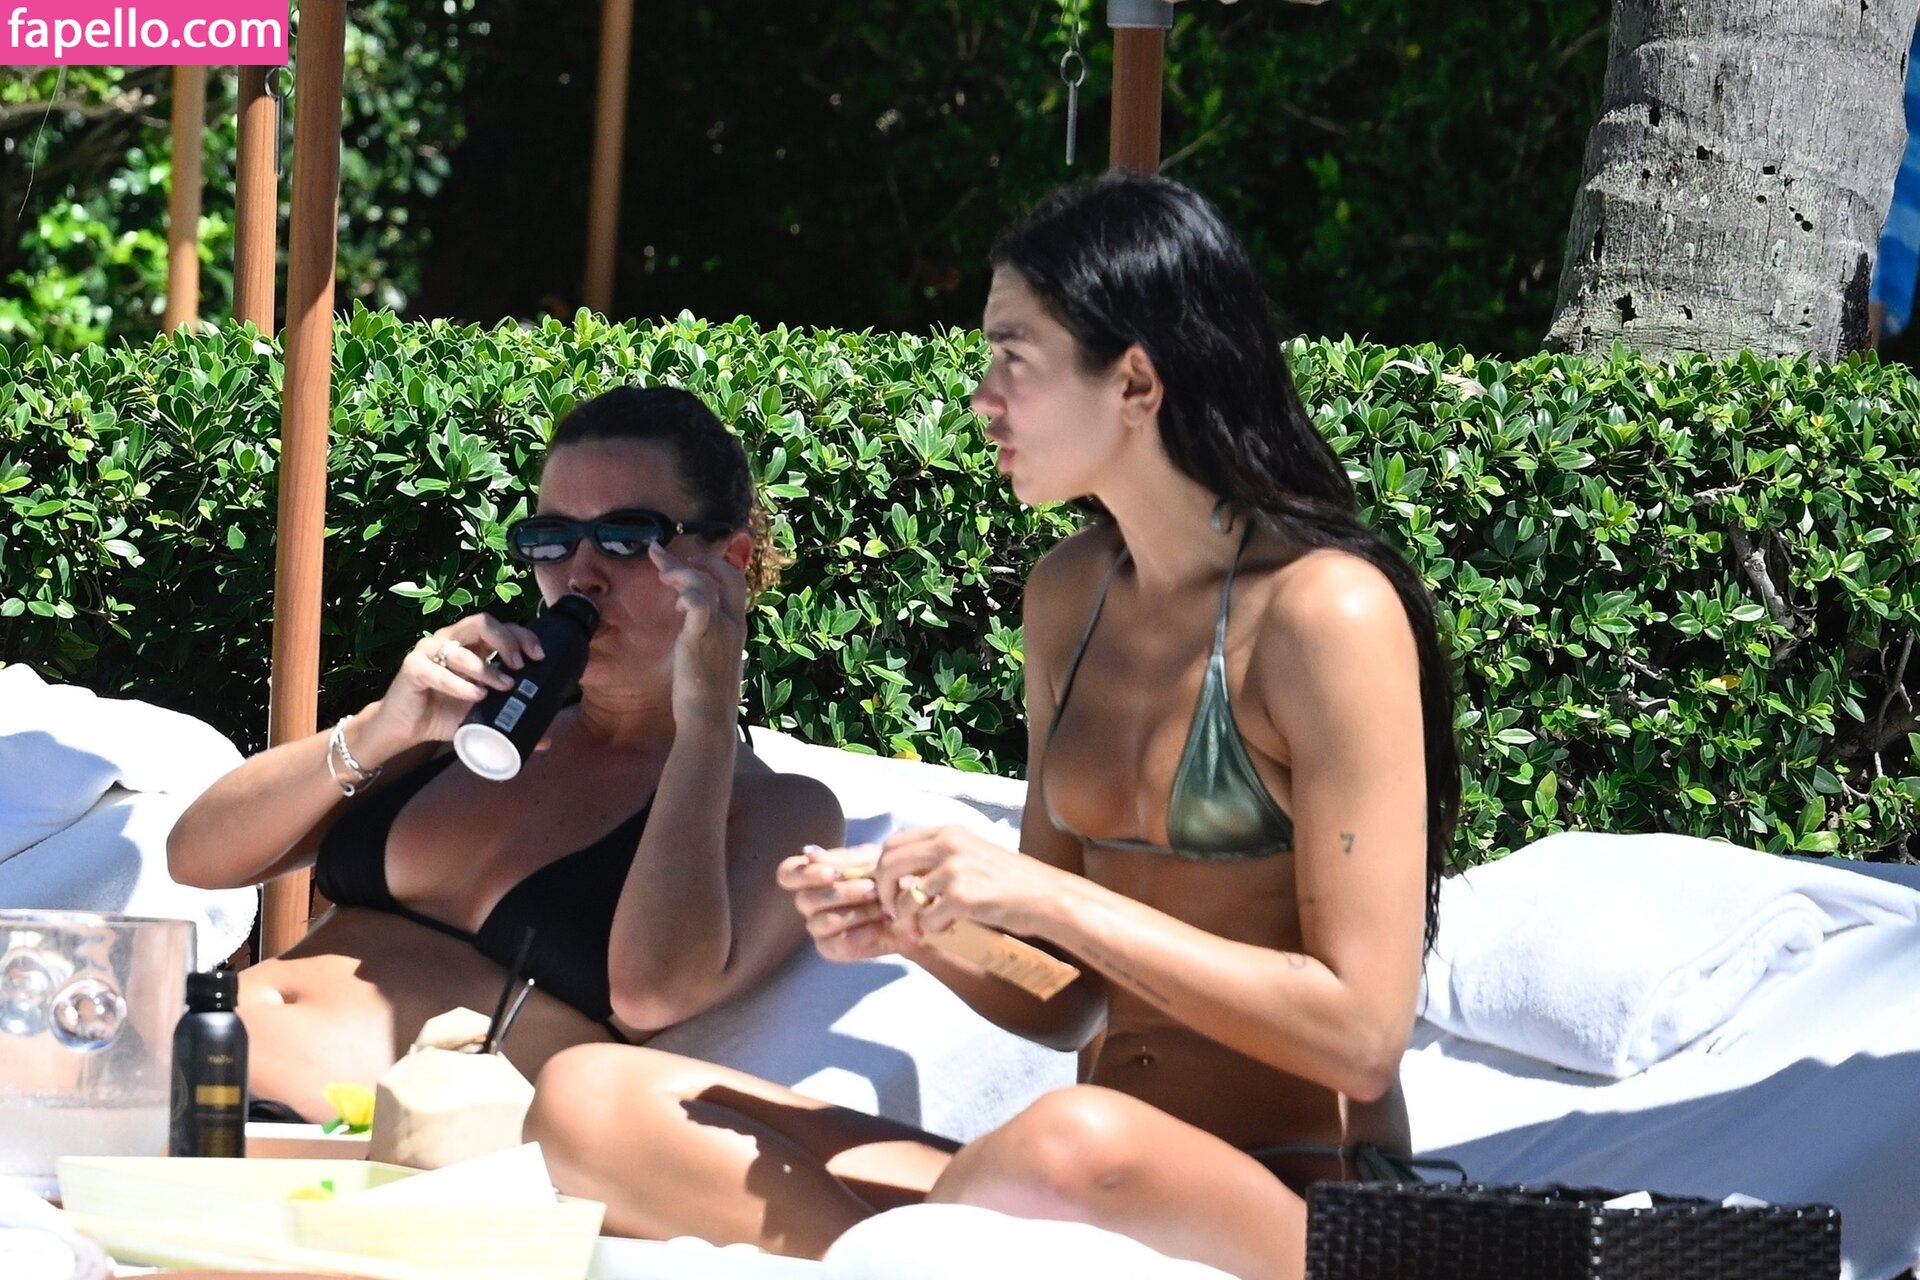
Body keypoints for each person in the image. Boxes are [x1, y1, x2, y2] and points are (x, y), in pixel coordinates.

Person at [524, 174, 1461, 1280]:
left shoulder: (1326, 611)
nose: (982, 399)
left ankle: (930, 1245)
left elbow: (1360, 1036)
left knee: (1064, 1141)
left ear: (1135, 382)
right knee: (590, 1099)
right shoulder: (1071, 594)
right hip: (1076, 1177)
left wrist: (1038, 894)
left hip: (1303, 1200)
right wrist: (928, 928)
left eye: (1013, 358)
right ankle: (920, 1253)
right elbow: (1066, 999)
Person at [167, 386, 842, 1121]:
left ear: (728, 560)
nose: (581, 574)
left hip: (358, 1149)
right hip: (162, 1076)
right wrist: (382, 728)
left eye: (626, 537)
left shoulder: (775, 807)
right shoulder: (477, 725)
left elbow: (652, 992)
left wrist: (705, 716)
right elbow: (195, 858)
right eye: (553, 539)